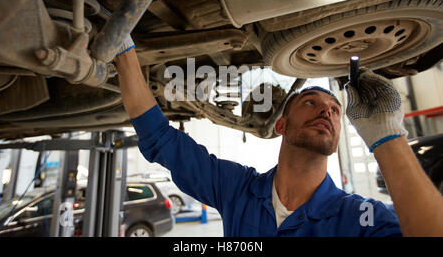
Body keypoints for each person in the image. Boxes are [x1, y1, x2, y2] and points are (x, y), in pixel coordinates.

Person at [114, 38, 443, 237]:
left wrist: (387, 136)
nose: (327, 111)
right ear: (281, 126)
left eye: (334, 109)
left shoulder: (359, 216)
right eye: (311, 102)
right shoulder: (237, 190)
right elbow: (160, 138)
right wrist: (124, 49)